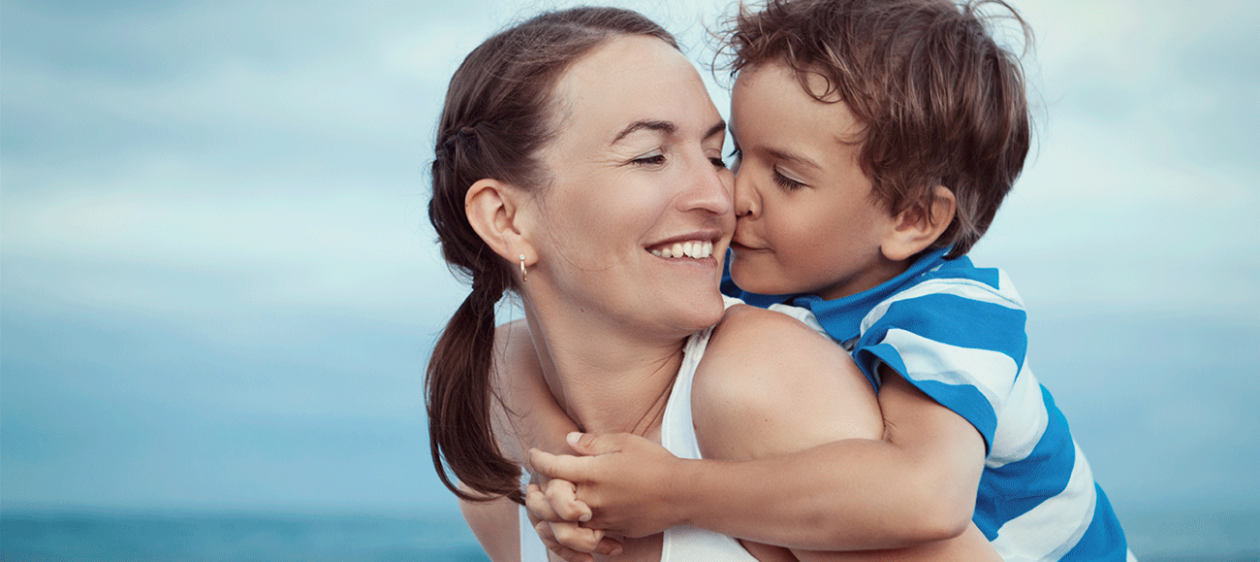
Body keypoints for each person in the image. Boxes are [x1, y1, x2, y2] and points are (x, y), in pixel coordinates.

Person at [523, 0, 1135, 561]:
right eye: (737, 156)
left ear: (913, 218)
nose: (733, 195)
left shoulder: (954, 311)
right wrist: (583, 490)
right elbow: (531, 350)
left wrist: (674, 491)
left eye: (786, 177)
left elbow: (926, 496)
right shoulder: (772, 279)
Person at [426, 6, 1001, 562]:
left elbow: (927, 494)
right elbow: (498, 367)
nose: (721, 198)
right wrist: (570, 470)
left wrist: (667, 491)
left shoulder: (753, 382)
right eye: (651, 157)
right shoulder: (499, 464)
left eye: (710, 154)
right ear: (504, 219)